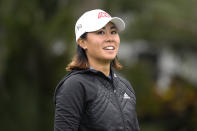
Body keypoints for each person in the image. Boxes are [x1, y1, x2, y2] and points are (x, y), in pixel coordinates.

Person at [54, 9, 140, 131]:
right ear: (82, 42)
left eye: (113, 32)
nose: (110, 38)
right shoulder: (74, 85)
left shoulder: (125, 86)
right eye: (100, 32)